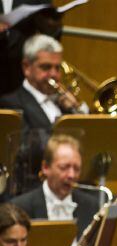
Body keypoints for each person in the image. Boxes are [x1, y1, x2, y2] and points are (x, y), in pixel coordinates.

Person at [0, 34, 86, 194]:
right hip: (33, 188)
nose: (53, 74)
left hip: (70, 183)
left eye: (57, 68)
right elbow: (27, 149)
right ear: (26, 67)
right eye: (46, 67)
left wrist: (76, 110)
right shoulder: (11, 103)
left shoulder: (64, 104)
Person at [11, 133, 100, 234]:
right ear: (45, 167)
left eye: (77, 169)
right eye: (64, 167)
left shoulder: (91, 206)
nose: (71, 175)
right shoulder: (20, 208)